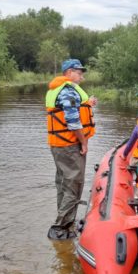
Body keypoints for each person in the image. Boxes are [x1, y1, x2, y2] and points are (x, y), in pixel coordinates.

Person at [45, 58, 97, 240]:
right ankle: (60, 229)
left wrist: (87, 104)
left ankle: (65, 220)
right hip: (69, 146)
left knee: (63, 183)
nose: (81, 75)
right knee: (73, 184)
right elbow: (73, 122)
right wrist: (84, 142)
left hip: (58, 145)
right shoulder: (68, 91)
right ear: (68, 73)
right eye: (78, 71)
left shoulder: (59, 90)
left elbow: (72, 110)